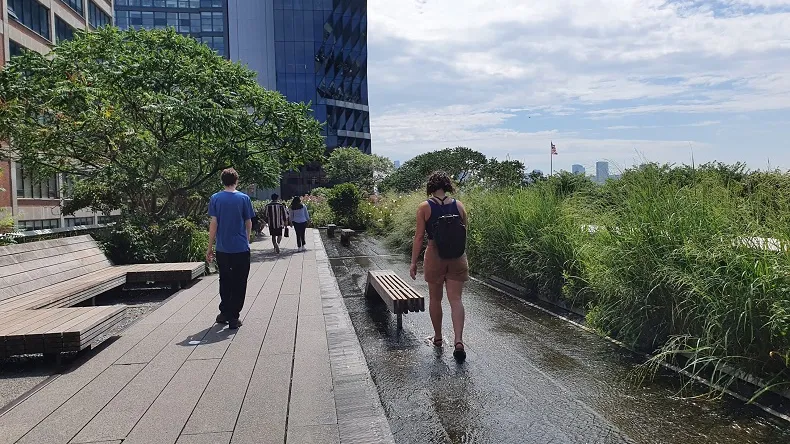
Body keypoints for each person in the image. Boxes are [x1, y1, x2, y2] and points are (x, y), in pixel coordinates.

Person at [410, 171, 469, 361]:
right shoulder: (459, 206)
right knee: (456, 300)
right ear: (448, 186)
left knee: (435, 299)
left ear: (431, 187)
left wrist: (413, 262)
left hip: (435, 254)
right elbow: (464, 233)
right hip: (457, 256)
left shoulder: (424, 207)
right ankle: (458, 341)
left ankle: (437, 338)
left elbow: (419, 237)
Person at [206, 168, 254, 330]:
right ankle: (234, 316)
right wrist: (247, 239)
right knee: (240, 282)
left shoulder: (215, 198)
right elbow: (248, 222)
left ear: (222, 181)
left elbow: (214, 223)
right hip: (240, 248)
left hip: (223, 248)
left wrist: (210, 247)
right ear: (236, 180)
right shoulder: (244, 198)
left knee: (225, 280)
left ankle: (224, 312)